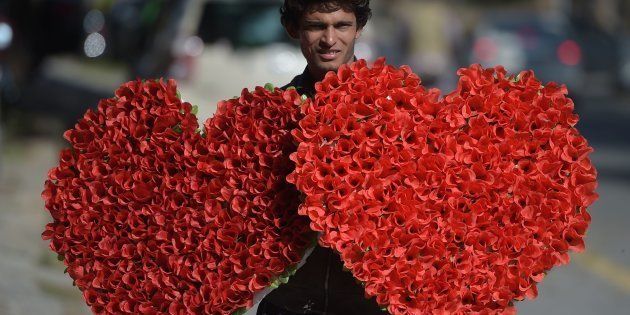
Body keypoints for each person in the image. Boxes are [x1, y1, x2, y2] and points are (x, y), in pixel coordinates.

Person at [256, 1, 387, 314]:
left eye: (341, 25)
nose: (330, 39)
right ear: (294, 29)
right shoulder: (269, 114)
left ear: (359, 29)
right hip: (288, 307)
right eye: (316, 26)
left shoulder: (394, 106)